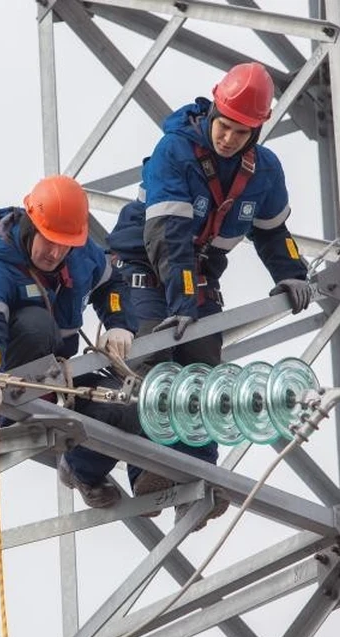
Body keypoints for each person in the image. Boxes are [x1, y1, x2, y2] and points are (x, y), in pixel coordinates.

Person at [107, 62, 312, 529]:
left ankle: (200, 469)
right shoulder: (175, 151)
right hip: (144, 261)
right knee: (156, 356)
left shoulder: (263, 172)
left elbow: (273, 232)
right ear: (211, 113)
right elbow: (168, 236)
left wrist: (293, 274)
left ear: (255, 130)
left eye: (241, 132)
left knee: (201, 365)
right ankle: (150, 468)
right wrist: (182, 306)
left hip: (196, 273)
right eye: (224, 126)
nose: (228, 139)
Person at [0, 175, 152, 509]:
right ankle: (2, 416)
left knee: (127, 404)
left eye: (64, 244)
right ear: (30, 225)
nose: (54, 252)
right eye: (48, 240)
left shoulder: (80, 256)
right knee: (36, 323)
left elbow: (112, 285)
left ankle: (81, 470)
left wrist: (119, 323)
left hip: (54, 377)